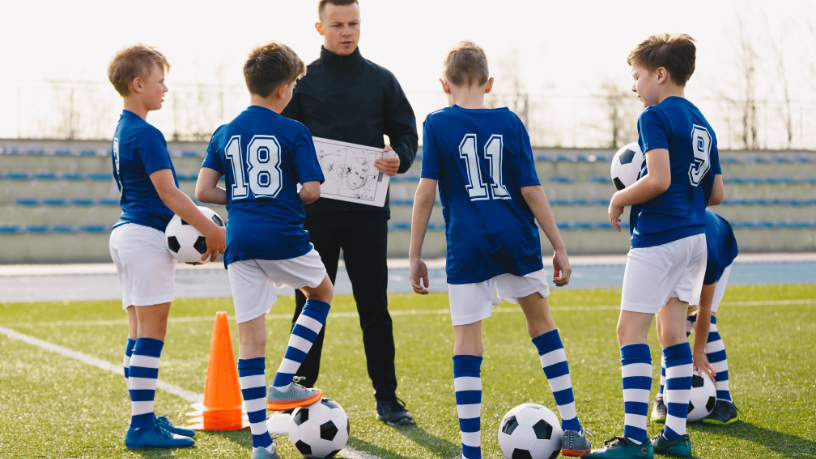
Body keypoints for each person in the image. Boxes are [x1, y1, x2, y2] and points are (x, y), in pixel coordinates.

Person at [409, 41, 593, 459]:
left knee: (467, 343)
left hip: (467, 245)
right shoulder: (510, 121)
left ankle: (471, 451)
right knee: (542, 326)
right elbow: (531, 189)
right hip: (516, 237)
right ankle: (574, 428)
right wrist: (559, 246)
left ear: (444, 85)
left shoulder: (436, 123)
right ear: (489, 83)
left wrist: (414, 254)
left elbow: (425, 194)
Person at [584, 34, 725, 459]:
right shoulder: (703, 122)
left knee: (630, 332)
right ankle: (676, 435)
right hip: (695, 239)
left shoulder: (654, 115)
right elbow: (716, 192)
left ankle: (634, 439)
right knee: (671, 334)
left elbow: (659, 178)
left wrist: (619, 197)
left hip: (659, 239)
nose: (634, 86)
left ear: (660, 75)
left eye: (637, 76)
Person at [281, 0, 418, 425]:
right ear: (319, 27)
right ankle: (296, 393)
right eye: (337, 24)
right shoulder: (300, 81)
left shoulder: (381, 80)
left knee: (374, 306)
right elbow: (284, 135)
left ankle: (388, 399)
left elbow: (406, 134)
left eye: (353, 23)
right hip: (315, 213)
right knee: (309, 305)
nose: (347, 32)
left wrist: (400, 156)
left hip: (367, 214)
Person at [196, 41, 334, 459]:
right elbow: (311, 190)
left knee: (250, 342)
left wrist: (242, 199)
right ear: (283, 90)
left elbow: (203, 190)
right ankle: (284, 380)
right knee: (322, 292)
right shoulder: (294, 130)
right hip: (283, 235)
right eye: (293, 84)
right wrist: (283, 196)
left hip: (240, 240)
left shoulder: (225, 131)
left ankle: (261, 445)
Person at [107, 44, 226, 449]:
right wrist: (211, 231)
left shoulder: (122, 129)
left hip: (126, 235)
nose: (165, 89)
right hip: (143, 238)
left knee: (139, 332)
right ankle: (140, 426)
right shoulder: (146, 132)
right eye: (160, 82)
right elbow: (170, 194)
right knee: (152, 332)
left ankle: (143, 418)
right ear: (138, 84)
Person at [652, 209, 739, 425]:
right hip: (682, 250)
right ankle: (663, 396)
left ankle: (724, 401)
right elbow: (663, 321)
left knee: (708, 325)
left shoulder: (710, 254)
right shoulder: (660, 250)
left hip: (721, 242)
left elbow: (705, 308)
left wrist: (699, 351)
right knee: (677, 327)